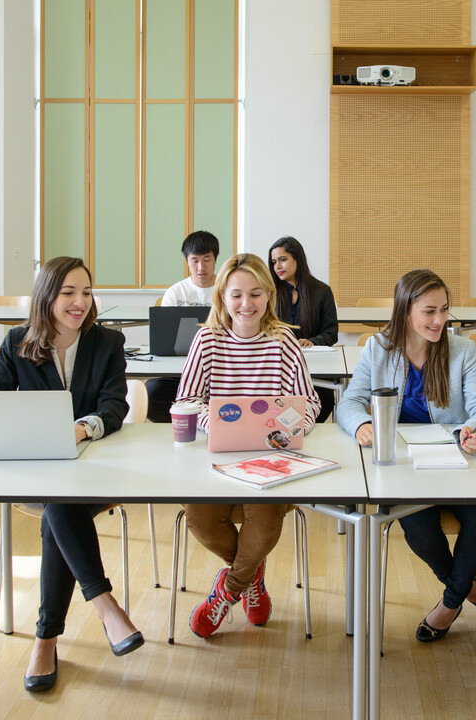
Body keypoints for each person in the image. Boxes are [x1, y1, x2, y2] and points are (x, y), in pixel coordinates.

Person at [0, 256, 143, 691]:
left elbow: (115, 407)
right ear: (46, 296)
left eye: (87, 292)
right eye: (68, 293)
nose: (79, 302)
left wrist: (79, 429)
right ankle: (104, 605)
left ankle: (45, 638)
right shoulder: (17, 342)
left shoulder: (107, 342)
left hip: (96, 471)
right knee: (58, 500)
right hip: (35, 471)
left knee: (60, 506)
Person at [337, 269, 476, 642]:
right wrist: (362, 424)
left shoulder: (463, 351)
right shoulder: (378, 349)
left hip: (458, 460)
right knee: (421, 532)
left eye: (444, 310)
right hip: (404, 465)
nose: (440, 320)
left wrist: (474, 430)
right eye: (429, 311)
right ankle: (469, 589)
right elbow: (350, 402)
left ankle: (448, 603)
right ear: (405, 310)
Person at [175, 253, 320, 638]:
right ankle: (251, 579)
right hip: (218, 456)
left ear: (269, 295)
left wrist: (290, 429)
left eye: (255, 294)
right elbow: (186, 402)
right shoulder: (207, 339)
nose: (246, 304)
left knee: (267, 517)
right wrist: (215, 424)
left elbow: (310, 403)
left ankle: (226, 592)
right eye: (237, 295)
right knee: (199, 517)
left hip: (272, 458)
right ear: (222, 296)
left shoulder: (284, 341)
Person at [146, 230, 219, 422]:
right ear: (187, 260)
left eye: (207, 259)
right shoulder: (175, 292)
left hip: (219, 366)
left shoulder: (227, 289)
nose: (201, 267)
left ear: (216, 259)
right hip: (181, 366)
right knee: (151, 394)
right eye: (194, 260)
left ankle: (207, 425)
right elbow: (165, 339)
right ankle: (184, 425)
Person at [268, 236, 339, 422]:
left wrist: (312, 341)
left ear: (298, 259)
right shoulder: (269, 293)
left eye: (283, 260)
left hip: (314, 365)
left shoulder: (322, 291)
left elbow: (331, 333)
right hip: (279, 365)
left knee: (320, 406)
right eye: (274, 262)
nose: (277, 266)